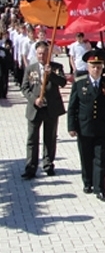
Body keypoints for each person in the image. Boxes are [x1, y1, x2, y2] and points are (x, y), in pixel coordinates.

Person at [67, 50, 105, 202]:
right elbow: (72, 106)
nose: (96, 69)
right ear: (88, 67)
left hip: (102, 127)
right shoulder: (80, 83)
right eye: (93, 66)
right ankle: (88, 182)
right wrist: (71, 126)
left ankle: (100, 189)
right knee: (86, 157)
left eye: (99, 66)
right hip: (84, 127)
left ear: (102, 67)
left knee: (100, 158)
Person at [20, 41, 67, 179]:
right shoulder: (30, 68)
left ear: (49, 54)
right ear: (36, 54)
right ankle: (31, 167)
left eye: (45, 53)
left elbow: (63, 82)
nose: (42, 56)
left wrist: (50, 73)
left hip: (51, 108)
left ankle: (48, 164)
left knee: (50, 138)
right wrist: (34, 99)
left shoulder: (57, 67)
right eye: (40, 53)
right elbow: (24, 87)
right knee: (32, 138)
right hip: (35, 108)